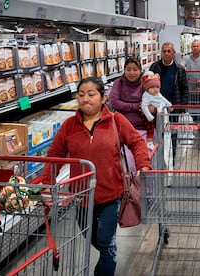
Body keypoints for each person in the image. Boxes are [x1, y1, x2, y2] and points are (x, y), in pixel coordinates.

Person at [41, 77, 152, 276]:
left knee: (105, 241)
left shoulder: (116, 121)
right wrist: (47, 184)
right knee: (92, 238)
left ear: (103, 98)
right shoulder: (69, 125)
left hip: (111, 195)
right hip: (81, 197)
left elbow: (137, 142)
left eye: (91, 94)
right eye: (81, 95)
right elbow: (55, 154)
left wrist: (143, 164)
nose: (85, 99)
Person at [109, 57, 153, 172]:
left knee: (142, 160)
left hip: (143, 129)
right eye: (128, 69)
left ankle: (141, 188)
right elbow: (114, 102)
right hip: (121, 130)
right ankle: (128, 187)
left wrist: (126, 105)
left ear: (140, 70)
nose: (131, 73)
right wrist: (137, 106)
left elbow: (151, 104)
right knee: (125, 163)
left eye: (135, 69)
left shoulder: (146, 84)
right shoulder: (119, 83)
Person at [149, 42, 189, 163]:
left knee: (173, 132)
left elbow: (184, 89)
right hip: (157, 108)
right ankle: (160, 156)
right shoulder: (154, 67)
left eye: (168, 51)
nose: (166, 53)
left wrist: (183, 107)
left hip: (173, 107)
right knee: (158, 132)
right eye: (164, 51)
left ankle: (172, 155)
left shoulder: (179, 69)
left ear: (173, 54)